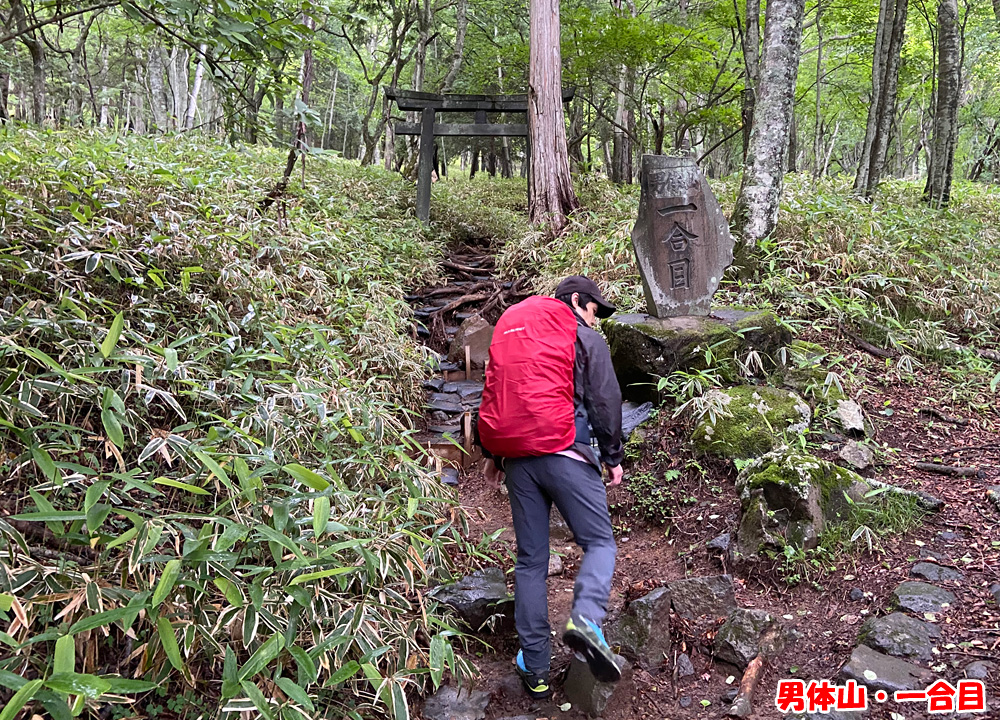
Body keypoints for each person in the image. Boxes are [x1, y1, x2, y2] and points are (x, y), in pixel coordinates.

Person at [478, 275, 624, 700]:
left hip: (519, 461)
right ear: (577, 300)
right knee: (599, 544)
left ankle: (536, 668)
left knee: (530, 562)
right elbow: (605, 400)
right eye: (596, 309)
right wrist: (612, 457)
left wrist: (492, 454)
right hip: (567, 454)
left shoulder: (518, 336)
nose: (596, 319)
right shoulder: (583, 339)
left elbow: (497, 392)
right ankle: (586, 621)